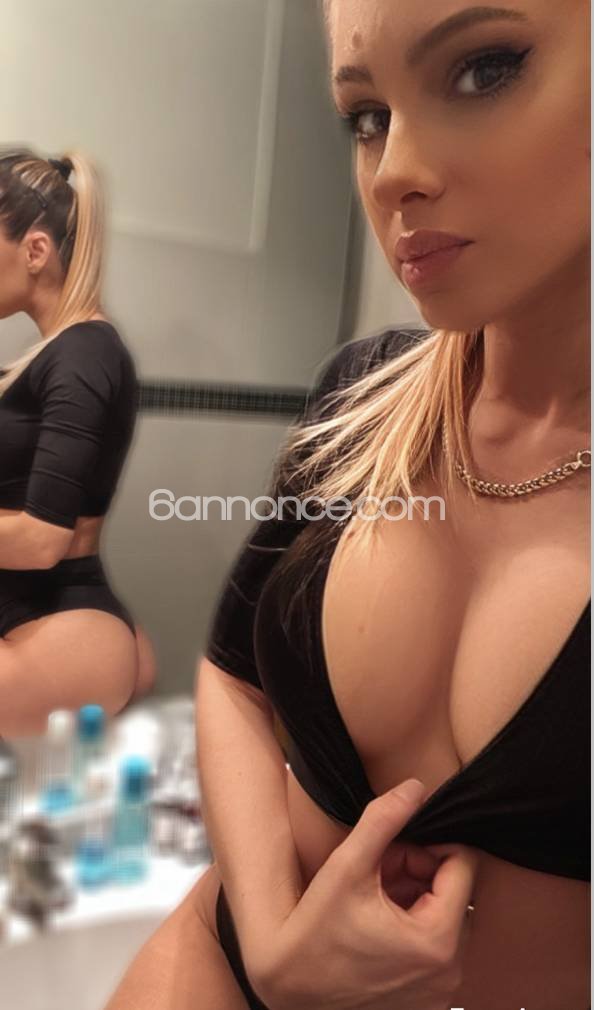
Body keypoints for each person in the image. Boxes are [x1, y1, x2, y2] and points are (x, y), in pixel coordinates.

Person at [105, 0, 590, 1007]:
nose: (390, 171)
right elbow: (233, 675)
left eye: (484, 68)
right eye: (367, 116)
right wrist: (274, 944)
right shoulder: (363, 393)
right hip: (228, 957)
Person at [0, 148, 156, 737]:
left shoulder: (84, 354)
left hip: (61, 624)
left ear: (36, 251)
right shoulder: (44, 358)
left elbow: (42, 540)